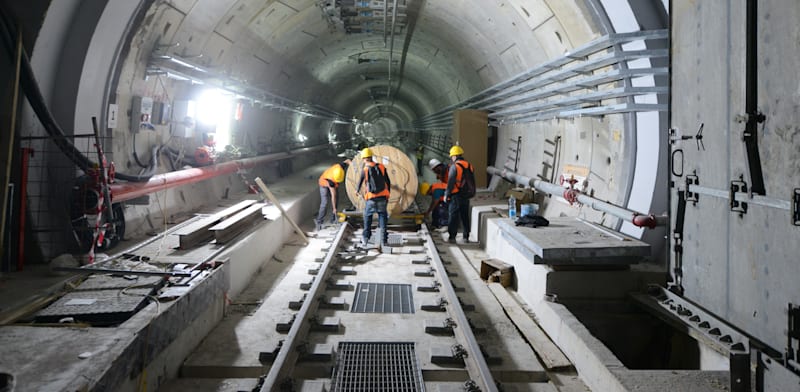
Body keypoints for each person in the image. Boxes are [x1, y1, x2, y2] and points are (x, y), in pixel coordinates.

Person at [356, 148, 391, 250]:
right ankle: (384, 241)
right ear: (371, 157)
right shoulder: (381, 166)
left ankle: (366, 238)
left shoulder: (365, 169)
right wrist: (388, 194)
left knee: (367, 217)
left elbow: (360, 181)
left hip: (371, 198)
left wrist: (357, 190)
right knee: (383, 217)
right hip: (383, 197)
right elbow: (388, 182)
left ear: (364, 159)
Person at [444, 145, 474, 244]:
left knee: (453, 215)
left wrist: (447, 194)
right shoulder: (469, 165)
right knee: (465, 215)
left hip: (456, 195)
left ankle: (452, 237)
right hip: (466, 194)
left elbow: (451, 182)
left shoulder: (455, 167)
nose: (452, 158)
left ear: (455, 156)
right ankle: (466, 237)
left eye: (452, 156)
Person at [315, 159, 351, 231]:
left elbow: (347, 160)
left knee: (336, 198)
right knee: (324, 202)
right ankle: (319, 221)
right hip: (323, 183)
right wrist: (334, 208)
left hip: (330, 180)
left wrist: (353, 166)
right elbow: (333, 196)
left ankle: (333, 219)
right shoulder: (331, 182)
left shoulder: (340, 168)